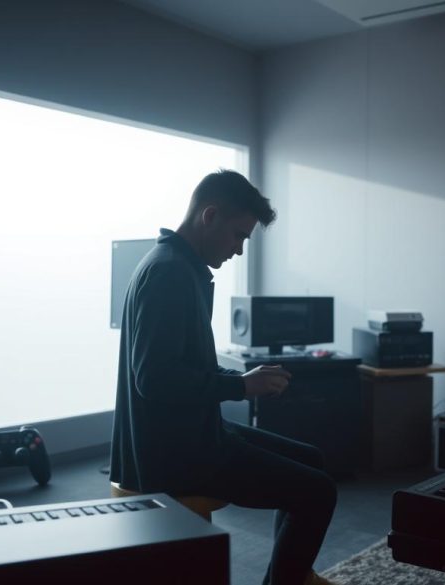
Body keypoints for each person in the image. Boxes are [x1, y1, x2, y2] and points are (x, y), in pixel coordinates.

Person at [109, 170, 339, 585]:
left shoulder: (177, 265)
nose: (238, 249)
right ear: (209, 216)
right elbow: (155, 381)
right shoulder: (170, 273)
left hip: (188, 437)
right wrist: (241, 385)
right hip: (171, 458)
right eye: (238, 236)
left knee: (312, 461)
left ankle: (287, 574)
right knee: (318, 490)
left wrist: (244, 377)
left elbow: (184, 366)